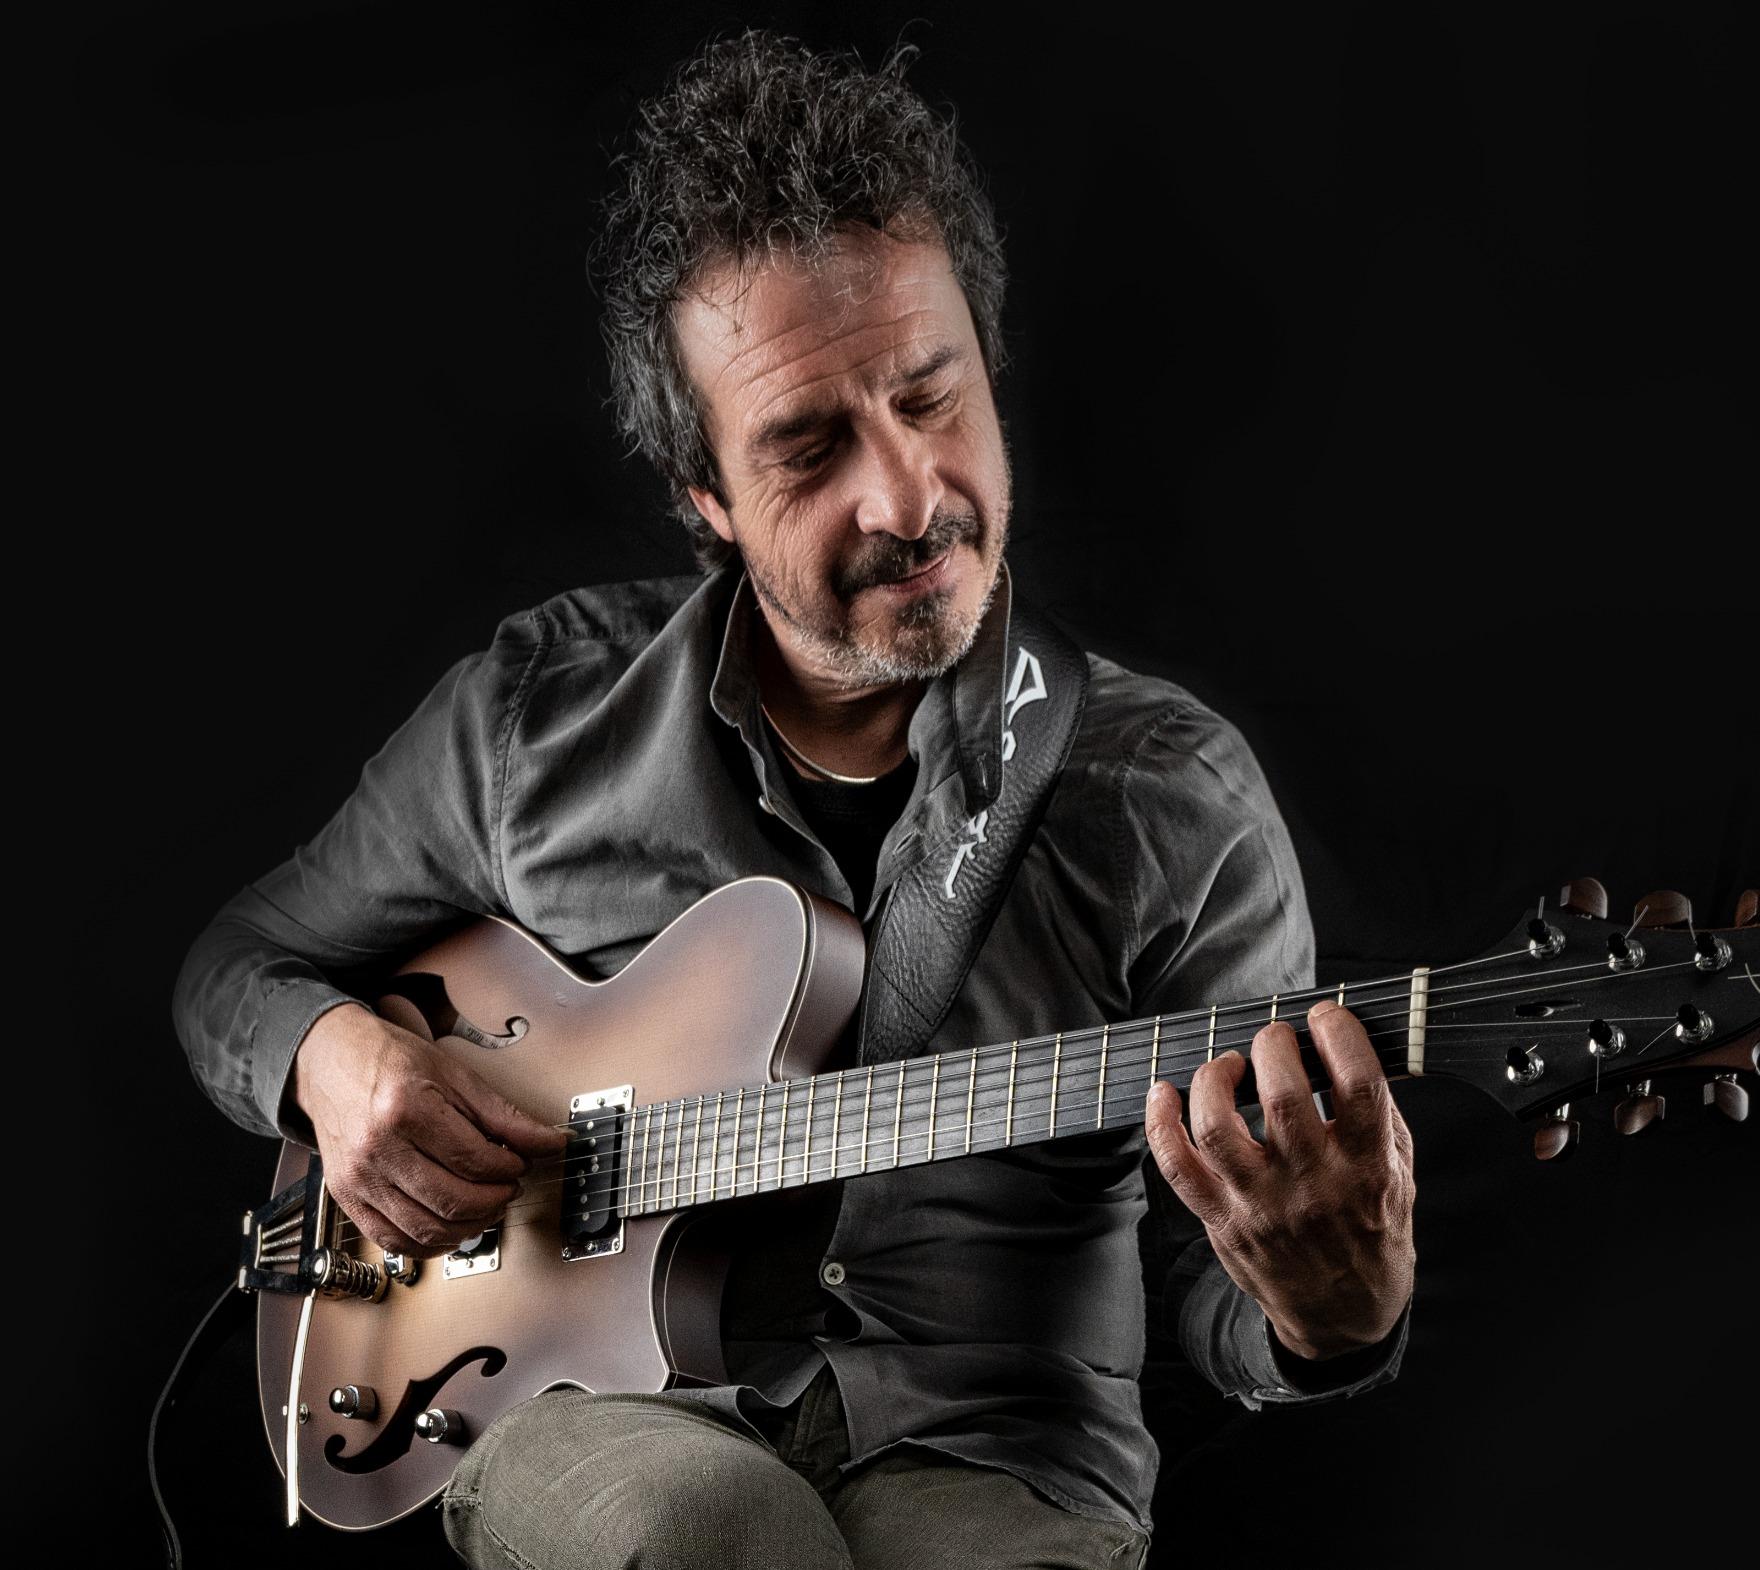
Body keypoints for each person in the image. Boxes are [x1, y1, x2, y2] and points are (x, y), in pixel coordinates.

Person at [173, 29, 1415, 1570]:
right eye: (809, 448)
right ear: (703, 495)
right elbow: (235, 967)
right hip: (597, 1411)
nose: (908, 495)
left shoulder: (1170, 797)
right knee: (717, 1527)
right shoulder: (534, 718)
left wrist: (1332, 1306)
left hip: (994, 1456)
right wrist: (333, 1058)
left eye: (932, 396)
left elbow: (1231, 1294)